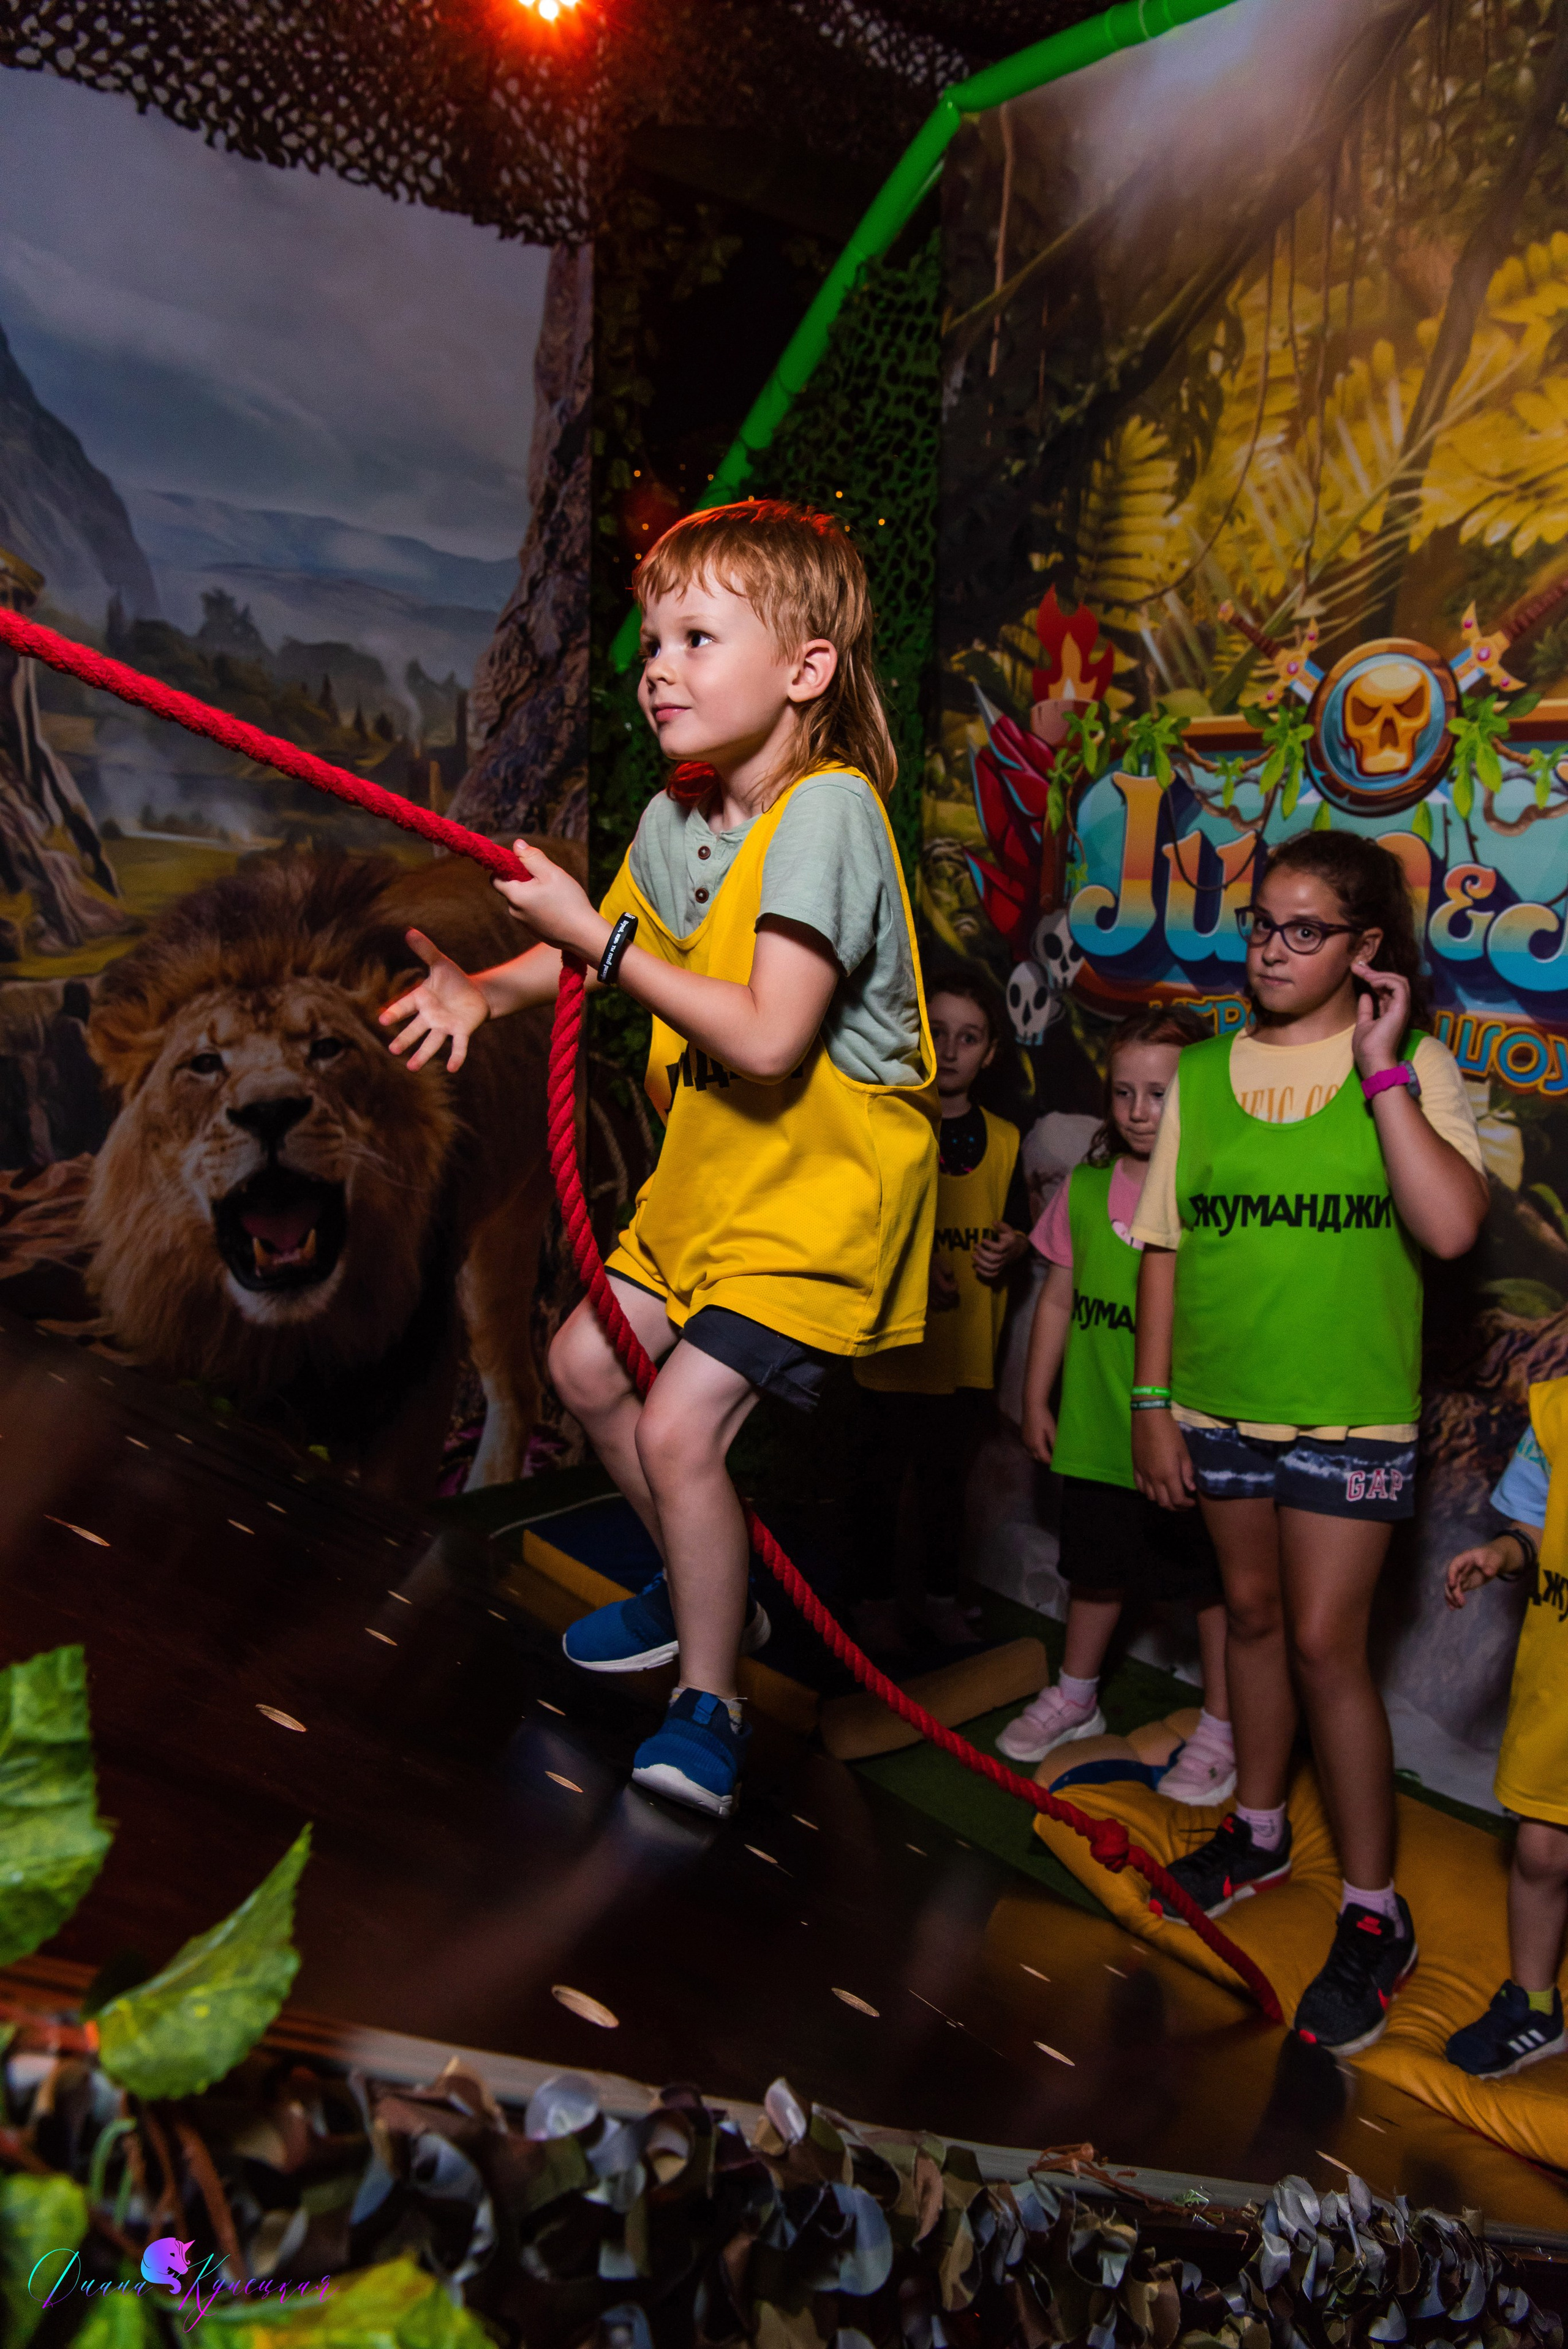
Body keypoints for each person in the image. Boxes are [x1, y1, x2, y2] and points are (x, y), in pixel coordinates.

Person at [379, 499, 936, 1818]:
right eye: (650, 643)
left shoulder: (829, 813)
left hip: (814, 1195)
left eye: (696, 636)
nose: (658, 668)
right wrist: (487, 994)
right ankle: (702, 1592)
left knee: (682, 1426)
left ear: (804, 671)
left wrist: (599, 940)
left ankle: (708, 1702)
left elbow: (765, 1035)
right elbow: (586, 941)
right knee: (579, 1364)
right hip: (711, 1186)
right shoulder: (678, 820)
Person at [1130, 829, 1488, 2054]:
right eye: (1260, 925)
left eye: (1302, 931)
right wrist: (1148, 1402)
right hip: (1216, 1404)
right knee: (1249, 1619)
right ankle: (1257, 1832)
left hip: (1347, 1415)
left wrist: (1382, 1072)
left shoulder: (1414, 1068)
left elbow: (1446, 1232)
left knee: (1330, 1645)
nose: (1270, 949)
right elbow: (1165, 1244)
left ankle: (1373, 1915)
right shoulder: (1202, 1073)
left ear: (1363, 948)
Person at [999, 1007, 1234, 1806]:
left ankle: (1225, 1724)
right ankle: (1076, 1692)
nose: (1138, 1109)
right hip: (1099, 1432)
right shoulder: (1086, 1186)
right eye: (1124, 1091)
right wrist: (1035, 1397)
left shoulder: (1215, 1196)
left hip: (1185, 1446)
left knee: (1210, 1584)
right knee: (1095, 1572)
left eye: (1158, 1093)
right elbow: (1057, 1301)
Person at [850, 964, 1029, 1654]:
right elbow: (856, 1227)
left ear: (989, 1053)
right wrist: (912, 1266)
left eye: (970, 1037)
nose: (951, 1049)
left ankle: (941, 1600)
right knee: (875, 1489)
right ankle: (870, 1606)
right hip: (891, 1356)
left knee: (948, 1491)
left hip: (964, 1360)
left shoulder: (1008, 1139)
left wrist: (1012, 1244)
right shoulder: (886, 1127)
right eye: (939, 1033)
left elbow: (1016, 1226)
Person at [1441, 1398, 1568, 2076]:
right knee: (1542, 1852)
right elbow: (1534, 1526)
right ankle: (1533, 2004)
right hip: (1560, 1684)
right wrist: (1499, 1552)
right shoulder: (1557, 1414)